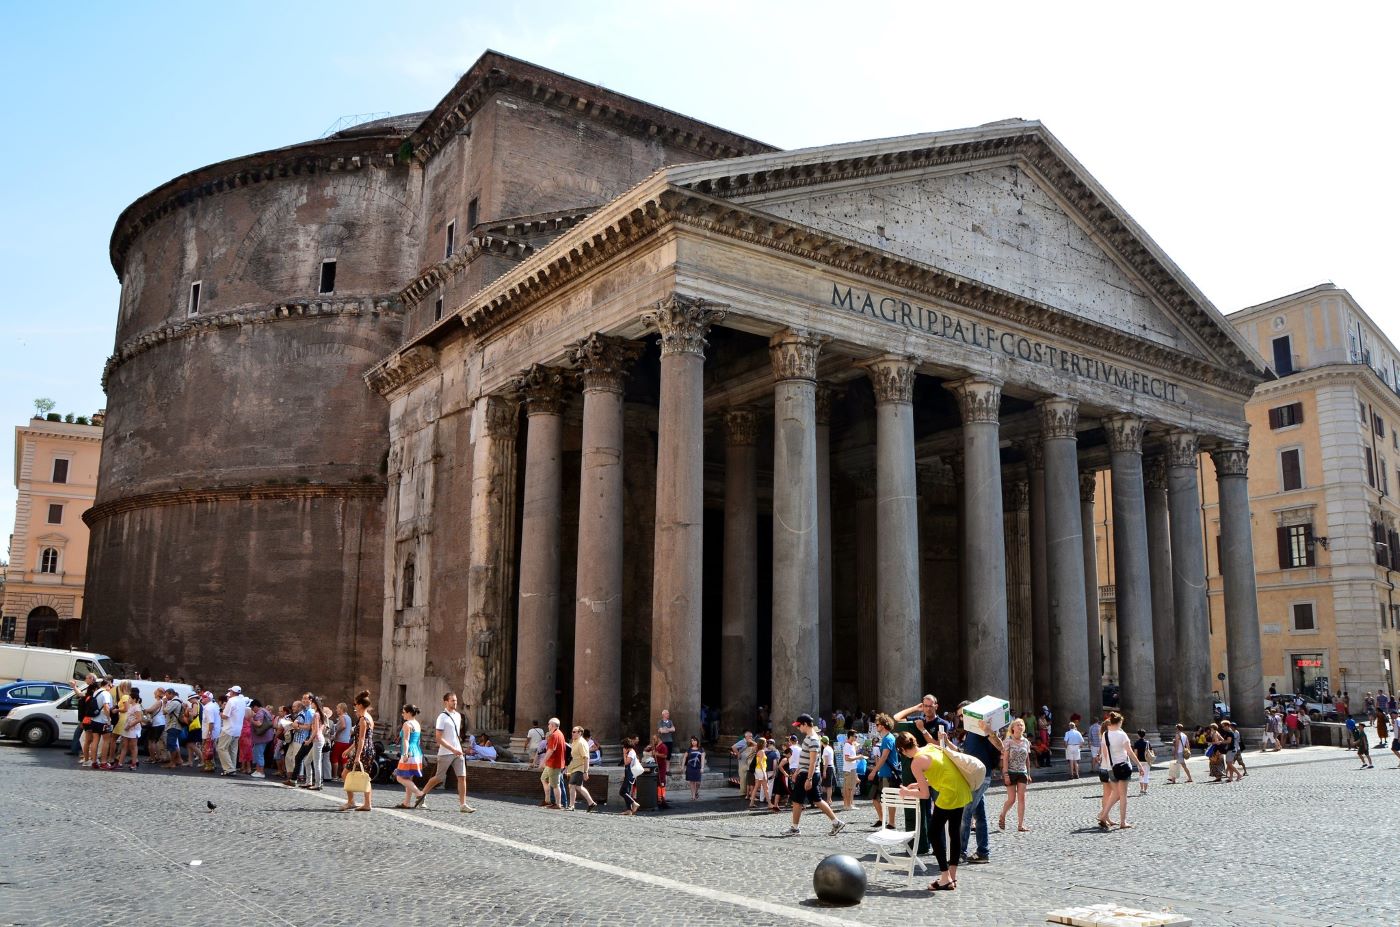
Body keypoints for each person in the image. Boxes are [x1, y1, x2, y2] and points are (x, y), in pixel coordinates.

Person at [896, 729, 971, 892]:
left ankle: (944, 877)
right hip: (961, 788)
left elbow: (924, 795)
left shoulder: (915, 762)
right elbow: (941, 772)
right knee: (954, 832)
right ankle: (952, 876)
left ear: (901, 750)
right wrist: (919, 783)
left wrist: (906, 792)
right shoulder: (930, 746)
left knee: (933, 833)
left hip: (949, 794)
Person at [780, 714, 845, 837]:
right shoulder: (809, 738)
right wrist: (798, 771)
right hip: (806, 773)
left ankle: (795, 828)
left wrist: (808, 778)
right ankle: (836, 822)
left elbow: (813, 761)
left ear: (805, 724)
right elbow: (804, 759)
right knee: (816, 800)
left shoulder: (813, 739)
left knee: (798, 801)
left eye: (799, 726)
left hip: (809, 774)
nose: (798, 728)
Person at [956, 701, 1000, 865]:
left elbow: (1000, 746)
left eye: (963, 715)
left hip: (981, 777)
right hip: (972, 777)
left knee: (964, 814)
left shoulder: (982, 729)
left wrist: (989, 731)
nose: (961, 719)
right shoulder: (969, 733)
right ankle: (983, 852)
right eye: (959, 716)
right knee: (979, 815)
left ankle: (960, 853)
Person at [415, 692, 475, 813]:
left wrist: (461, 748)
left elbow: (456, 735)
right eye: (452, 700)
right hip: (445, 752)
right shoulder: (442, 717)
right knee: (438, 778)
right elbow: (438, 738)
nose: (455, 702)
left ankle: (463, 804)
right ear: (446, 702)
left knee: (462, 777)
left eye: (456, 700)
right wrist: (453, 749)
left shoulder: (458, 716)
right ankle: (421, 795)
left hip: (458, 752)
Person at [337, 690, 374, 812]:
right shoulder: (368, 717)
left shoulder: (363, 719)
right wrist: (349, 749)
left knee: (345, 774)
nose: (355, 706)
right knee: (365, 776)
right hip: (367, 749)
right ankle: (366, 803)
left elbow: (362, 739)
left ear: (360, 705)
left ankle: (351, 801)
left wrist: (357, 755)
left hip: (363, 750)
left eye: (355, 704)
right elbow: (361, 739)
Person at [1097, 711, 1133, 830]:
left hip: (1104, 768)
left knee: (1107, 794)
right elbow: (1128, 750)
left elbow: (1103, 754)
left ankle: (1105, 817)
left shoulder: (1104, 736)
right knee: (1117, 794)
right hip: (1112, 768)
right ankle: (1103, 815)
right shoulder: (1118, 734)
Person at [997, 718, 1032, 832]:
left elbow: (1027, 759)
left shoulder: (1026, 742)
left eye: (1022, 725)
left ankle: (1020, 825)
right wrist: (1005, 774)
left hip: (1022, 772)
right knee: (1012, 799)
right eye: (1018, 725)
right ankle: (1002, 814)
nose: (1020, 726)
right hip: (1011, 772)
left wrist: (1029, 774)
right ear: (1013, 728)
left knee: (1022, 798)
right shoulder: (1008, 741)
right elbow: (1005, 759)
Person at [865, 713, 898, 828]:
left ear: (883, 726)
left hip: (887, 773)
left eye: (877, 724)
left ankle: (892, 823)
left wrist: (874, 771)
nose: (876, 726)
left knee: (890, 799)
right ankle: (881, 819)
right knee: (874, 797)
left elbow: (884, 757)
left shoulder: (888, 738)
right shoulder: (886, 738)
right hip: (882, 772)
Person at [394, 704, 424, 808]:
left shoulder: (407, 724)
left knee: (400, 777)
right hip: (416, 752)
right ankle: (406, 802)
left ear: (409, 713)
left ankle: (419, 794)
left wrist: (405, 753)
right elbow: (418, 741)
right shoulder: (417, 724)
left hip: (409, 752)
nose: (402, 714)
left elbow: (406, 740)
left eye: (404, 712)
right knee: (408, 778)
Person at [567, 725, 600, 810]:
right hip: (575, 767)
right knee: (578, 787)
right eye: (572, 731)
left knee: (572, 785)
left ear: (580, 733)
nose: (572, 733)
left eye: (574, 732)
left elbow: (586, 757)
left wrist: (586, 771)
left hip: (580, 767)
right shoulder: (575, 741)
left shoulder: (581, 743)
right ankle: (591, 803)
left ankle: (571, 806)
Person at [540, 718, 567, 809]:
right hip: (551, 763)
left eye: (548, 724)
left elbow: (551, 750)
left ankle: (558, 804)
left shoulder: (555, 735)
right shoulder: (559, 734)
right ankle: (547, 801)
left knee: (555, 785)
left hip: (554, 764)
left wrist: (542, 762)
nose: (548, 726)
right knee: (544, 779)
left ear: (552, 725)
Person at [646, 734, 671, 808]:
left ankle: (662, 797)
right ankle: (658, 797)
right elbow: (646, 750)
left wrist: (657, 754)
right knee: (657, 782)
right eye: (653, 739)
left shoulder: (663, 746)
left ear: (658, 739)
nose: (653, 741)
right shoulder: (655, 746)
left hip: (662, 767)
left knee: (662, 782)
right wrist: (648, 748)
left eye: (654, 739)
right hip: (656, 767)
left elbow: (665, 756)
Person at [619, 736, 642, 815]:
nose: (623, 747)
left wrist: (624, 754)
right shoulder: (631, 752)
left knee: (622, 792)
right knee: (627, 792)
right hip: (628, 774)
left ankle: (634, 803)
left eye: (624, 746)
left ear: (626, 746)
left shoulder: (631, 752)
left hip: (630, 775)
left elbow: (626, 763)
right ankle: (629, 810)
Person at [840, 732, 860, 811]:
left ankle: (848, 804)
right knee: (849, 788)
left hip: (851, 769)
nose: (856, 738)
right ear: (850, 736)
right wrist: (858, 757)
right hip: (849, 769)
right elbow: (847, 758)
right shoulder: (847, 745)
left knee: (849, 788)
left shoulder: (850, 745)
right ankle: (848, 805)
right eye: (855, 736)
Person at [750, 737, 770, 809]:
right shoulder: (761, 751)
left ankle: (751, 803)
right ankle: (770, 804)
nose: (766, 743)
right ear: (763, 743)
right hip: (761, 770)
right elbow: (760, 762)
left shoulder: (760, 750)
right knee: (766, 787)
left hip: (758, 770)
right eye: (765, 742)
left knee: (756, 787)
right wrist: (764, 772)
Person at [683, 736, 705, 801]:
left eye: (694, 740)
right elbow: (684, 757)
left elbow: (703, 759)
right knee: (692, 782)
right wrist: (682, 766)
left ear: (697, 741)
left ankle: (696, 792)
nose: (693, 742)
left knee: (698, 782)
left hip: (698, 768)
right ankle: (693, 796)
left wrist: (702, 767)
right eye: (692, 741)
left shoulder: (701, 749)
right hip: (690, 767)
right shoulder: (689, 749)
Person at [1132, 729, 1154, 795]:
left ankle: (1141, 789)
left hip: (1140, 761)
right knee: (1146, 775)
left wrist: (1135, 761)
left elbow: (1135, 753)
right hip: (1147, 761)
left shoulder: (1136, 743)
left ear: (1138, 735)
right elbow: (1151, 752)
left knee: (1141, 775)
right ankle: (1145, 790)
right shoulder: (1147, 743)